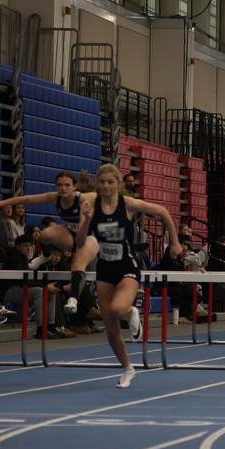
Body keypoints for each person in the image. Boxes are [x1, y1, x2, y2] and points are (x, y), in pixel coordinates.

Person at [77, 164, 181, 388]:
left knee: (117, 309)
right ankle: (127, 368)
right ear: (97, 184)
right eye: (102, 182)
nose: (106, 186)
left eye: (110, 182)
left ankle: (132, 312)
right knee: (111, 327)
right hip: (105, 269)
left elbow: (163, 212)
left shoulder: (129, 204)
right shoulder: (91, 206)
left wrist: (174, 242)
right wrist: (85, 219)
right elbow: (79, 242)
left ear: (118, 184)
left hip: (127, 267)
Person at [0, 171, 100, 315]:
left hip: (88, 238)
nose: (63, 188)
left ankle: (73, 300)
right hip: (70, 233)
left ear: (74, 187)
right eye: (59, 185)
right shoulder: (54, 197)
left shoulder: (86, 198)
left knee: (77, 265)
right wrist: (0, 203)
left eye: (67, 185)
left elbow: (116, 198)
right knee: (45, 234)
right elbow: (27, 199)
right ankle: (46, 255)